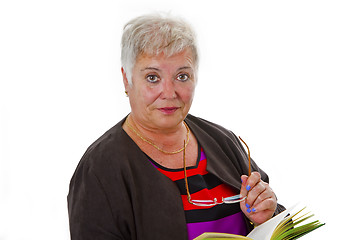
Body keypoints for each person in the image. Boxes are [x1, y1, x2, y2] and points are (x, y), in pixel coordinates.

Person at [67, 13, 286, 240]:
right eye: (153, 77)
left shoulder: (224, 141)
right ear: (127, 79)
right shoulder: (99, 169)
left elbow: (278, 224)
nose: (169, 93)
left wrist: (266, 217)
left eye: (182, 76)